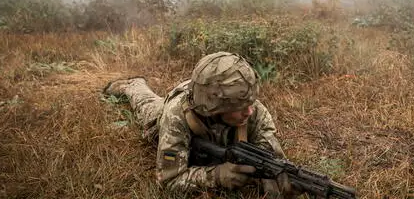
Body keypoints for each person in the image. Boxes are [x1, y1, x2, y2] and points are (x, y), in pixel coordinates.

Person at [102, 51, 301, 198]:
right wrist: (217, 175)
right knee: (146, 104)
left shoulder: (251, 108)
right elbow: (169, 181)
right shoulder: (176, 118)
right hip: (167, 111)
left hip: (205, 93)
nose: (249, 111)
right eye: (239, 107)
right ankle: (133, 84)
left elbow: (271, 155)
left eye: (250, 103)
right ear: (215, 109)